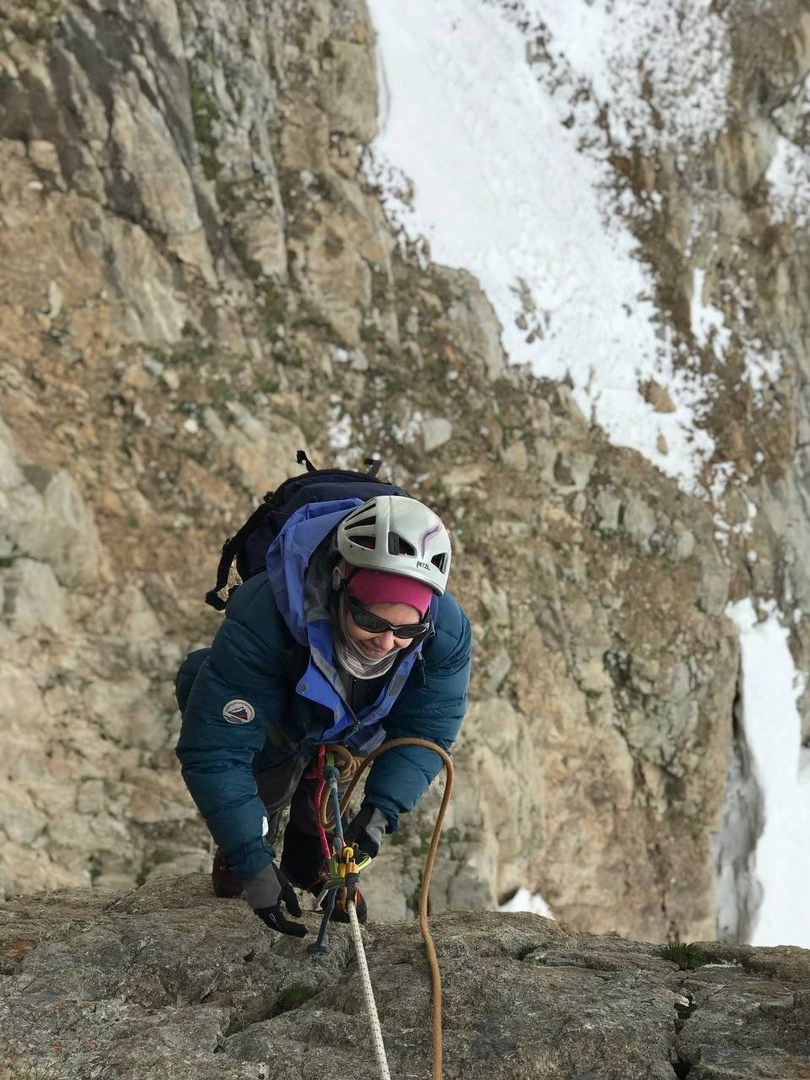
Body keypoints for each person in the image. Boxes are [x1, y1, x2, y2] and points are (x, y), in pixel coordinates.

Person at [175, 493, 472, 937]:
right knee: (266, 780)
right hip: (279, 715)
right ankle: (252, 845)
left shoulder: (443, 633)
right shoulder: (265, 612)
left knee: (326, 786)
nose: (386, 642)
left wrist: (376, 818)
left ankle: (311, 852)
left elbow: (426, 729)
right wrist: (252, 860)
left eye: (406, 630)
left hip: (357, 722)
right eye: (372, 622)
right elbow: (217, 749)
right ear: (339, 584)